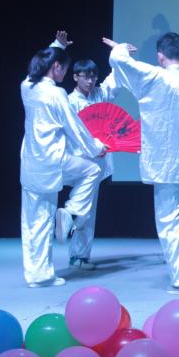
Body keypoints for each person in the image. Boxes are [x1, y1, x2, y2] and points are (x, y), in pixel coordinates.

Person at [104, 32, 179, 295]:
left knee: (169, 220)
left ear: (161, 57)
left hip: (166, 160)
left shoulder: (158, 78)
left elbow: (121, 62)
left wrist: (121, 47)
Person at [20, 35, 106, 287]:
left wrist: (56, 47)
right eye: (64, 69)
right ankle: (71, 211)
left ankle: (37, 275)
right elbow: (75, 128)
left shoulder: (26, 86)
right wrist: (96, 147)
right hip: (53, 161)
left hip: (31, 164)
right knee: (92, 170)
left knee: (33, 222)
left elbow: (41, 64)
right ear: (56, 67)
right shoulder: (57, 94)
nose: (65, 74)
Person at [58, 54, 122, 270]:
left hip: (97, 161)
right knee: (82, 210)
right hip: (78, 161)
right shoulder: (69, 101)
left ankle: (80, 256)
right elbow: (71, 134)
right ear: (76, 77)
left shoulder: (100, 94)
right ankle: (68, 220)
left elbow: (115, 81)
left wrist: (119, 56)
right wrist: (91, 147)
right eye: (86, 76)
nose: (90, 80)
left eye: (94, 76)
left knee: (89, 211)